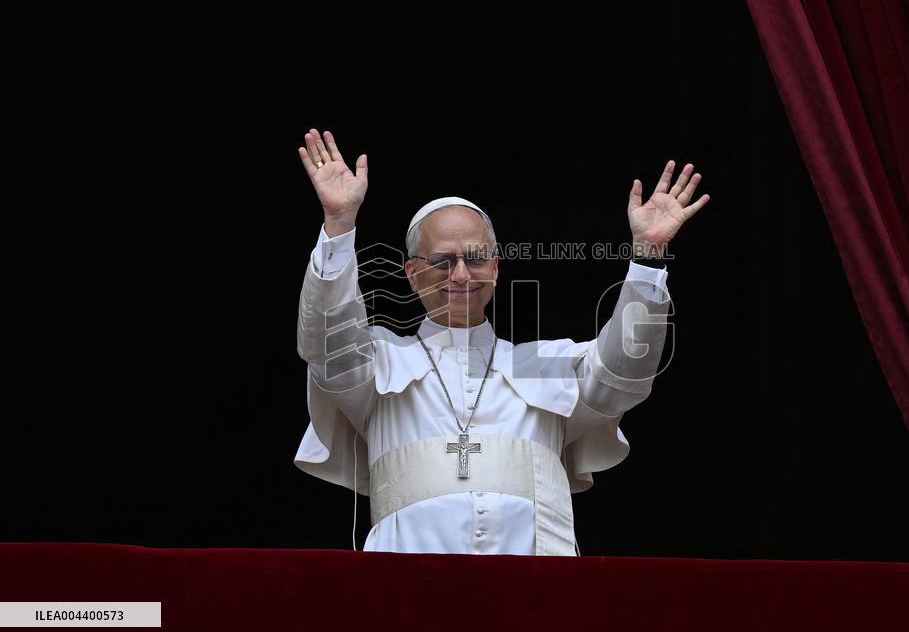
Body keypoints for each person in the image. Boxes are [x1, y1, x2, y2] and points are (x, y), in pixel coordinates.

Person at [292, 128, 710, 555]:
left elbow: (625, 373)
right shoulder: (378, 364)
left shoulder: (544, 365)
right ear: (411, 273)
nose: (460, 275)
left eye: (474, 259)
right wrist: (339, 226)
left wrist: (646, 259)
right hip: (408, 596)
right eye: (441, 262)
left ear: (494, 268)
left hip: (536, 596)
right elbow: (327, 339)